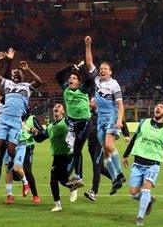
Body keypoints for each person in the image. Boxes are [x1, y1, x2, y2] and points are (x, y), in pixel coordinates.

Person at [0, 50, 44, 200]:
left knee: (12, 151)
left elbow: (40, 82)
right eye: (14, 73)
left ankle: (23, 181)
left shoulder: (27, 86)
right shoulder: (7, 84)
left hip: (16, 122)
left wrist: (28, 69)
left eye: (18, 73)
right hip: (4, 119)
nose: (15, 74)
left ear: (23, 76)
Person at [84, 36, 126, 194]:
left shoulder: (114, 84)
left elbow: (120, 105)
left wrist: (119, 120)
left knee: (108, 146)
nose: (101, 70)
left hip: (111, 117)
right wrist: (88, 45)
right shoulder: (96, 81)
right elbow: (89, 63)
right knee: (106, 150)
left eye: (105, 69)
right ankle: (116, 178)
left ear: (110, 72)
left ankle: (119, 174)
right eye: (100, 68)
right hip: (100, 119)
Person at [122, 103, 163, 226]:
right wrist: (125, 155)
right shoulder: (143, 122)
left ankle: (140, 217)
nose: (158, 107)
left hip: (153, 164)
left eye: (161, 107)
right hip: (138, 162)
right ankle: (149, 201)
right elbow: (134, 139)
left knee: (146, 190)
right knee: (133, 193)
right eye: (157, 106)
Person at [31, 104, 80, 212]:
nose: (56, 107)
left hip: (69, 155)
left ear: (63, 111)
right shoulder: (50, 127)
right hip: (57, 156)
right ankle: (58, 205)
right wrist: (34, 133)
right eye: (55, 107)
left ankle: (73, 187)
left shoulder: (67, 122)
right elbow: (40, 139)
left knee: (63, 179)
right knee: (53, 181)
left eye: (59, 106)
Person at [84, 99, 131, 202]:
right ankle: (117, 179)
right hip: (91, 145)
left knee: (96, 167)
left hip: (100, 144)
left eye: (91, 101)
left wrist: (126, 134)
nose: (89, 103)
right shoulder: (88, 114)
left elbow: (120, 120)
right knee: (100, 168)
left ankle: (93, 192)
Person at [55, 61, 92, 186]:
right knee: (73, 149)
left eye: (74, 78)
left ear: (78, 82)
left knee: (77, 148)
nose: (71, 79)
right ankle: (74, 176)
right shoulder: (66, 89)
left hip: (84, 123)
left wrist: (81, 69)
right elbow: (57, 75)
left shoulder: (82, 90)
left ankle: (78, 177)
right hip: (72, 124)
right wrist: (69, 67)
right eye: (70, 78)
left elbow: (90, 79)